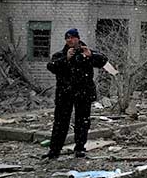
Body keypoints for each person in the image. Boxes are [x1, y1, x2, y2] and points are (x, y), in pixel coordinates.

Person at [45, 28, 107, 160]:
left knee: (82, 121)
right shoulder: (60, 55)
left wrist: (90, 56)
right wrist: (66, 59)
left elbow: (103, 61)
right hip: (65, 94)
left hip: (83, 93)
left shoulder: (86, 52)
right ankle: (54, 150)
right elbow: (51, 66)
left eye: (73, 37)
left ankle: (80, 148)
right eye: (67, 38)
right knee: (61, 122)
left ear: (78, 39)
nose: (70, 40)